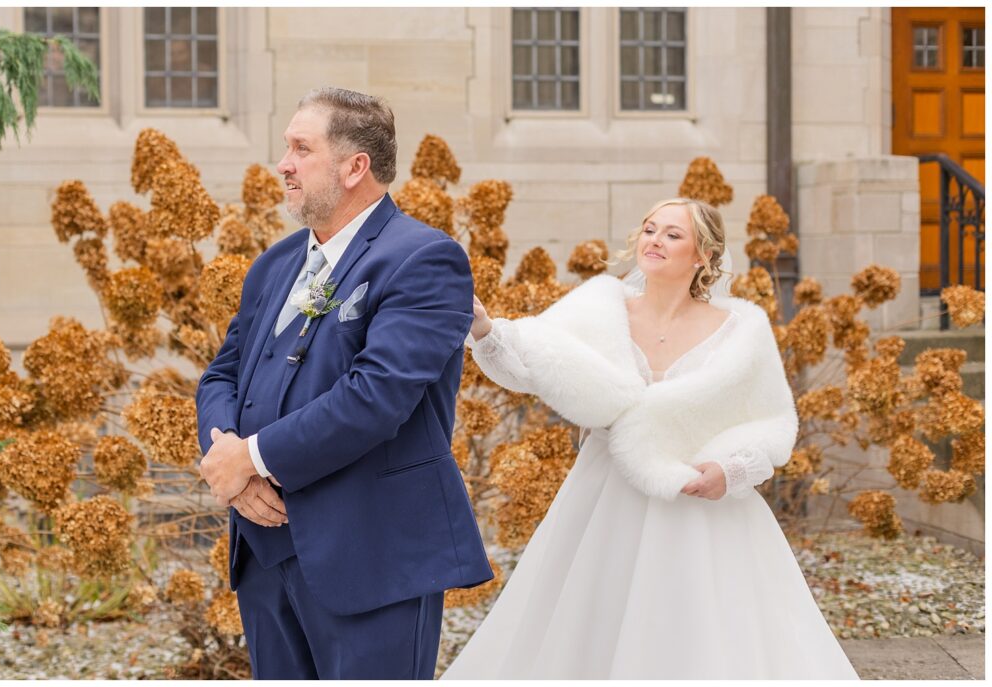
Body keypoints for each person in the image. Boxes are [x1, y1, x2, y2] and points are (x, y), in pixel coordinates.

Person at [442, 198, 858, 679]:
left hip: (702, 509)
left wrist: (733, 471)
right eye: (649, 229)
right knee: (588, 624)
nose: (655, 240)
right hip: (605, 499)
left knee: (704, 635)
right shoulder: (597, 308)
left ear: (702, 255)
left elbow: (773, 422)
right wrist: (484, 327)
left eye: (673, 234)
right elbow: (527, 360)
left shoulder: (742, 331)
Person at [196, 87, 492, 680]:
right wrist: (224, 452)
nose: (283, 164)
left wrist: (250, 458)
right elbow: (223, 372)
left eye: (301, 149)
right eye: (287, 148)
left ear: (355, 167)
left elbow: (376, 396)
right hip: (263, 548)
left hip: (372, 550)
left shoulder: (425, 260)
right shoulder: (275, 264)